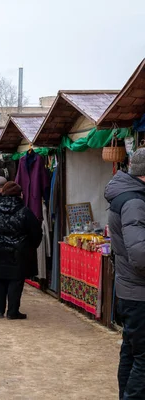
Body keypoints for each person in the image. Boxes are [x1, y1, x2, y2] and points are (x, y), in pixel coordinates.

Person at [104, 148, 145, 399]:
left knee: (132, 352)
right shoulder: (135, 201)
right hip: (139, 292)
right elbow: (140, 254)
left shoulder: (128, 196)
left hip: (131, 288)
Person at [0, 182, 42, 319]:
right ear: (19, 194)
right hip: (18, 253)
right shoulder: (25, 211)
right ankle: (12, 311)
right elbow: (36, 233)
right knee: (15, 282)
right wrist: (30, 247)